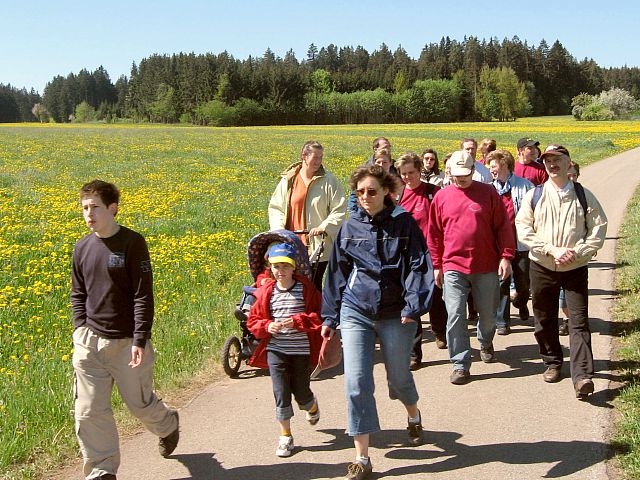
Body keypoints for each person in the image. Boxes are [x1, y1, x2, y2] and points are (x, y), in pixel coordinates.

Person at [322, 165, 434, 480]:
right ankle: (362, 458)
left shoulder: (404, 224)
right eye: (359, 192)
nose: (365, 197)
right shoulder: (349, 227)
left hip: (396, 312)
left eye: (371, 191)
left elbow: (418, 267)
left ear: (386, 190)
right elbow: (337, 274)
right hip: (356, 309)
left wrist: (414, 305)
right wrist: (329, 317)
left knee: (398, 378)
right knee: (357, 383)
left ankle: (413, 415)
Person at [71, 180, 179, 480]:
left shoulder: (132, 243)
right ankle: (102, 470)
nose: (88, 213)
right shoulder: (82, 247)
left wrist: (140, 339)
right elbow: (78, 293)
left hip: (127, 342)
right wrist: (80, 328)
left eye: (94, 207)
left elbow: (143, 295)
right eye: (84, 208)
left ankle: (167, 424)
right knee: (89, 411)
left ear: (113, 209)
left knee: (139, 404)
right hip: (89, 342)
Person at [516, 145, 607, 398]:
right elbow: (523, 229)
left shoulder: (583, 195)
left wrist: (577, 252)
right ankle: (553, 362)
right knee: (544, 319)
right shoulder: (534, 196)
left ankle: (582, 376)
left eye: (558, 159)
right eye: (548, 160)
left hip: (575, 268)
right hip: (543, 265)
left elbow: (598, 229)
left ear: (569, 164)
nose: (552, 164)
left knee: (578, 322)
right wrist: (551, 250)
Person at [428, 151, 515, 385]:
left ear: (473, 171)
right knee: (455, 314)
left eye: (465, 174)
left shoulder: (488, 193)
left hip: (486, 265)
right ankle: (459, 363)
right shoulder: (442, 197)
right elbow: (434, 234)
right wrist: (437, 265)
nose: (461, 179)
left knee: (488, 315)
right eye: (456, 175)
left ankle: (485, 341)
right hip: (453, 266)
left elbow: (503, 227)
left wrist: (505, 257)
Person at [247, 242, 323, 457]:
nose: (280, 271)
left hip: (300, 351)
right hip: (276, 349)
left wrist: (297, 321)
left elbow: (319, 316)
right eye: (276, 267)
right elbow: (254, 320)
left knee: (301, 392)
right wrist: (267, 326)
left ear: (293, 268)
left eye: (284, 266)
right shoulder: (266, 292)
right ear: (270, 268)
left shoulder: (306, 288)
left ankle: (311, 406)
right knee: (281, 393)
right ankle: (285, 436)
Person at [268, 141, 347, 291]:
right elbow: (276, 207)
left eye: (321, 157)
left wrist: (324, 227)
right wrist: (280, 231)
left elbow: (339, 209)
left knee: (313, 285)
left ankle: (315, 313)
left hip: (317, 245)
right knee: (291, 284)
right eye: (315, 157)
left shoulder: (329, 181)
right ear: (304, 156)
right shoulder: (288, 180)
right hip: (290, 242)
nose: (318, 161)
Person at [396, 152, 446, 369]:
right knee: (411, 303)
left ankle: (439, 331)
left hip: (431, 254)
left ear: (419, 172)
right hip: (407, 258)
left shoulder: (433, 192)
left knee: (436, 300)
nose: (408, 177)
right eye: (404, 174)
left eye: (412, 173)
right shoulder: (396, 197)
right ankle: (414, 354)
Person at [487, 149, 534, 335]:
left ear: (505, 165)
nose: (491, 171)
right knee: (502, 282)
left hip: (520, 242)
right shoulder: (488, 189)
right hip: (498, 245)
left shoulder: (525, 186)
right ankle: (502, 321)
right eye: (490, 167)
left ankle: (521, 302)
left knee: (523, 282)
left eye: (494, 167)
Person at [558, 161, 582, 336]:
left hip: (577, 255)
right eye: (569, 175)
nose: (571, 178)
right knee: (561, 295)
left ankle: (571, 321)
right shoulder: (550, 194)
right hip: (554, 254)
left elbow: (593, 226)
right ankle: (566, 319)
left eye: (574, 175)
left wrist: (586, 248)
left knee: (570, 293)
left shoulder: (583, 196)